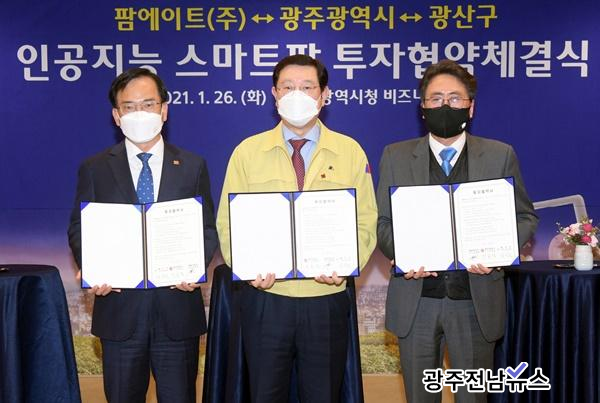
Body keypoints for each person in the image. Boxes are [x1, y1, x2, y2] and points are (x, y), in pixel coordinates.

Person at [215, 54, 377, 403]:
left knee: (323, 394)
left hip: (326, 298)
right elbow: (227, 223)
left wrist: (348, 264)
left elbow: (366, 220)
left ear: (324, 95)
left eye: (307, 87)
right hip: (266, 298)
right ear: (274, 94)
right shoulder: (247, 152)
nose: (297, 95)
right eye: (288, 87)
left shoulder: (350, 151)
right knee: (265, 394)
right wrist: (246, 267)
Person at [376, 59, 538, 403]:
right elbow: (383, 223)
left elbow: (525, 217)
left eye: (454, 98)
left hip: (474, 303)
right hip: (417, 301)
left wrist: (498, 253)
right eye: (436, 99)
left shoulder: (499, 155)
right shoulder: (395, 156)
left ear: (471, 106)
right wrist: (403, 254)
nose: (445, 106)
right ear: (422, 107)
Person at [68, 67, 218, 403]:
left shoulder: (192, 165)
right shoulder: (95, 168)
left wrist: (195, 266)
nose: (140, 114)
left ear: (164, 110)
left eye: (148, 105)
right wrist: (92, 267)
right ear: (116, 115)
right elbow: (79, 227)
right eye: (130, 107)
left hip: (177, 311)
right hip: (119, 311)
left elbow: (207, 227)